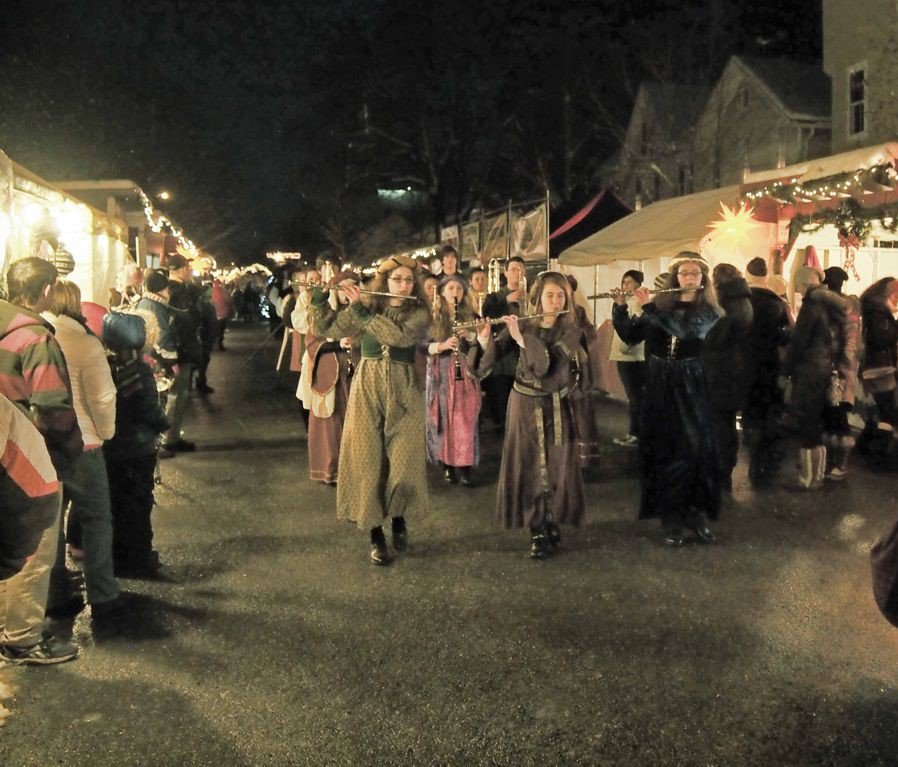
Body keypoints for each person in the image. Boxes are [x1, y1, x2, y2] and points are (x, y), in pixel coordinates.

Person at [310, 255, 430, 565]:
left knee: (403, 465)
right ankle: (376, 534)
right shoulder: (368, 305)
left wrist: (361, 311)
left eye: (407, 280)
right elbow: (328, 328)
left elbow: (397, 336)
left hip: (404, 388)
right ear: (385, 281)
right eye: (397, 279)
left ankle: (399, 516)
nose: (403, 285)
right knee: (368, 462)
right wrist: (319, 298)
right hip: (368, 385)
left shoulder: (419, 312)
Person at [0, 256, 82, 662]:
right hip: (29, 459)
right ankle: (21, 640)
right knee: (33, 549)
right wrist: (70, 449)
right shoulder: (35, 339)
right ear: (48, 290)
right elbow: (52, 405)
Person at [612, 252, 723, 546]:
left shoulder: (710, 311)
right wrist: (620, 308)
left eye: (694, 273)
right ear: (676, 277)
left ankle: (696, 514)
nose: (689, 278)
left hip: (691, 383)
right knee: (666, 447)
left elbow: (686, 332)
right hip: (660, 381)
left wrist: (649, 306)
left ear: (702, 278)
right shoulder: (661, 306)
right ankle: (670, 517)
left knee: (696, 449)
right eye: (684, 273)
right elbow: (631, 336)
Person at [477, 271, 586, 559]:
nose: (555, 300)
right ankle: (535, 527)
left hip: (556, 405)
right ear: (538, 299)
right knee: (527, 464)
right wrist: (485, 340)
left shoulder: (572, 331)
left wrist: (523, 341)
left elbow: (545, 366)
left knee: (556, 464)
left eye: (561, 295)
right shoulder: (523, 324)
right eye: (550, 295)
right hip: (524, 405)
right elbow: (490, 359)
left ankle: (551, 519)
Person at [41, 280, 123, 623]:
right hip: (83, 441)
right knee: (96, 518)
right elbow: (102, 397)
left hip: (42, 441)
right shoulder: (85, 343)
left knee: (50, 520)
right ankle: (102, 592)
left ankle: (54, 593)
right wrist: (105, 433)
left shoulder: (37, 336)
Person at [102, 308, 170, 577]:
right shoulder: (139, 370)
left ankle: (118, 556)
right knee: (139, 502)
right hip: (138, 446)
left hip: (111, 444)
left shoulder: (105, 365)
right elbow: (147, 409)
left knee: (116, 502)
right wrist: (163, 423)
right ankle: (139, 557)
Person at [782, 266, 848, 490]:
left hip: (809, 370)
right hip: (825, 368)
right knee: (816, 422)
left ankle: (808, 479)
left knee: (807, 422)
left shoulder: (811, 306)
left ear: (803, 284)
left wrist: (785, 371)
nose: (798, 290)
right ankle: (817, 474)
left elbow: (799, 342)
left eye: (798, 286)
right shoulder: (832, 306)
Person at [297, 271, 357, 484]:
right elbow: (313, 343)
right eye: (343, 287)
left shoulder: (360, 313)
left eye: (352, 287)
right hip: (329, 372)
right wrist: (337, 344)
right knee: (329, 423)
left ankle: (354, 469)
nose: (346, 292)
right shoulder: (324, 313)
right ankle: (330, 470)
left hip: (353, 374)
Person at [701, 264, 753, 492]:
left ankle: (719, 473)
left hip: (720, 371)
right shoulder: (744, 300)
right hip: (735, 368)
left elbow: (714, 339)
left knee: (719, 424)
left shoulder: (726, 304)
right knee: (727, 423)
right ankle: (725, 469)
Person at [426, 274, 482, 486]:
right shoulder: (432, 318)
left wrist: (470, 335)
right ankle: (447, 465)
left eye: (459, 289)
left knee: (465, 420)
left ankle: (465, 466)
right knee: (443, 420)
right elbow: (422, 346)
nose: (455, 293)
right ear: (441, 292)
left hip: (465, 373)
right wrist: (440, 346)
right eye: (451, 289)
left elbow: (483, 344)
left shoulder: (472, 315)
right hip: (440, 372)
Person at [743, 257, 791, 485]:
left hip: (744, 365)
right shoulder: (776, 304)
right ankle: (766, 462)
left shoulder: (739, 302)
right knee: (770, 412)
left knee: (751, 414)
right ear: (766, 275)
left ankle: (754, 457)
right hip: (770, 364)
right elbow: (786, 336)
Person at [480, 257, 527, 430]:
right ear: (506, 272)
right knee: (501, 390)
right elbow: (487, 316)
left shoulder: (530, 296)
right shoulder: (494, 297)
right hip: (502, 353)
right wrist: (506, 301)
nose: (517, 273)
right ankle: (501, 423)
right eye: (513, 269)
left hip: (523, 350)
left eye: (521, 269)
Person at [857, 277, 898, 465]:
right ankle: (879, 457)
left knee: (879, 411)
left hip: (874, 366)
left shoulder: (871, 308)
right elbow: (881, 338)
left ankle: (865, 449)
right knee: (887, 413)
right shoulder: (878, 311)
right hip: (880, 367)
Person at [609, 269, 646, 447]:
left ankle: (636, 433)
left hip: (632, 357)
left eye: (630, 282)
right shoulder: (627, 301)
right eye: (624, 282)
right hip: (625, 356)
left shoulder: (638, 301)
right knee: (634, 397)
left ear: (639, 283)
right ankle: (636, 432)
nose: (625, 286)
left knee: (636, 397)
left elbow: (633, 331)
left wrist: (625, 347)